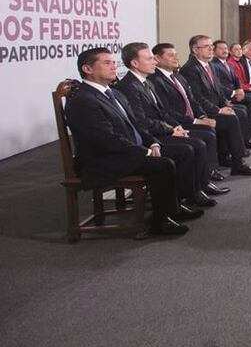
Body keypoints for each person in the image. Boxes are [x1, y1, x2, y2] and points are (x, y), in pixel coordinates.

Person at [64, 48, 198, 236]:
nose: (114, 66)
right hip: (105, 159)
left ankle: (173, 207)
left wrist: (152, 143)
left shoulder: (113, 93)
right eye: (106, 63)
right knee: (163, 165)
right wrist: (143, 151)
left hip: (127, 150)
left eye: (113, 62)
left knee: (183, 151)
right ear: (87, 68)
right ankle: (160, 222)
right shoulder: (83, 100)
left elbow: (137, 124)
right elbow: (105, 139)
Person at [117, 42, 225, 207]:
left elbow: (163, 112)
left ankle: (196, 189)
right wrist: (170, 129)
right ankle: (186, 196)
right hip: (151, 135)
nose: (154, 61)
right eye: (150, 58)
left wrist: (176, 126)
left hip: (160, 130)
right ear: (135, 63)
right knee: (191, 146)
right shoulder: (129, 86)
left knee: (200, 141)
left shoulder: (146, 81)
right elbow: (140, 121)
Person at [149, 43, 251, 177]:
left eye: (176, 54)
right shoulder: (157, 79)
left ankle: (235, 162)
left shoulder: (177, 76)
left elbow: (193, 100)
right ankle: (212, 171)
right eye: (171, 55)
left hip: (196, 114)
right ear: (157, 59)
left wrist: (203, 115)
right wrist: (198, 120)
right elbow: (167, 111)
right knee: (219, 126)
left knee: (232, 116)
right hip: (179, 122)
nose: (176, 58)